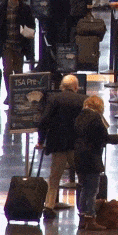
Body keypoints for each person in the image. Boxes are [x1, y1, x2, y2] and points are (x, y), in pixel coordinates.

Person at [37, 74, 88, 220]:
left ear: (62, 86)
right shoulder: (83, 100)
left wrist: (41, 141)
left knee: (54, 177)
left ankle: (49, 206)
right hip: (76, 145)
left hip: (58, 144)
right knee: (82, 177)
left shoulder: (54, 99)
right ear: (76, 87)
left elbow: (43, 121)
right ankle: (84, 208)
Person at [74, 95, 118, 231]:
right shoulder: (95, 118)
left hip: (79, 157)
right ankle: (91, 219)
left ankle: (82, 218)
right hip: (92, 158)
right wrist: (116, 138)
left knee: (83, 188)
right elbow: (103, 137)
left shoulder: (79, 117)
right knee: (92, 190)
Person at [0, 0, 36, 104]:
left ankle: (17, 94)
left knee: (19, 71)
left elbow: (31, 25)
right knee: (8, 70)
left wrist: (27, 33)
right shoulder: (1, 9)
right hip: (7, 44)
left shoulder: (25, 8)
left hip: (19, 44)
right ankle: (10, 94)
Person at [37, 0, 70, 75]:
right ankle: (51, 66)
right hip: (54, 19)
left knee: (56, 43)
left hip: (57, 17)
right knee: (53, 43)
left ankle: (55, 65)